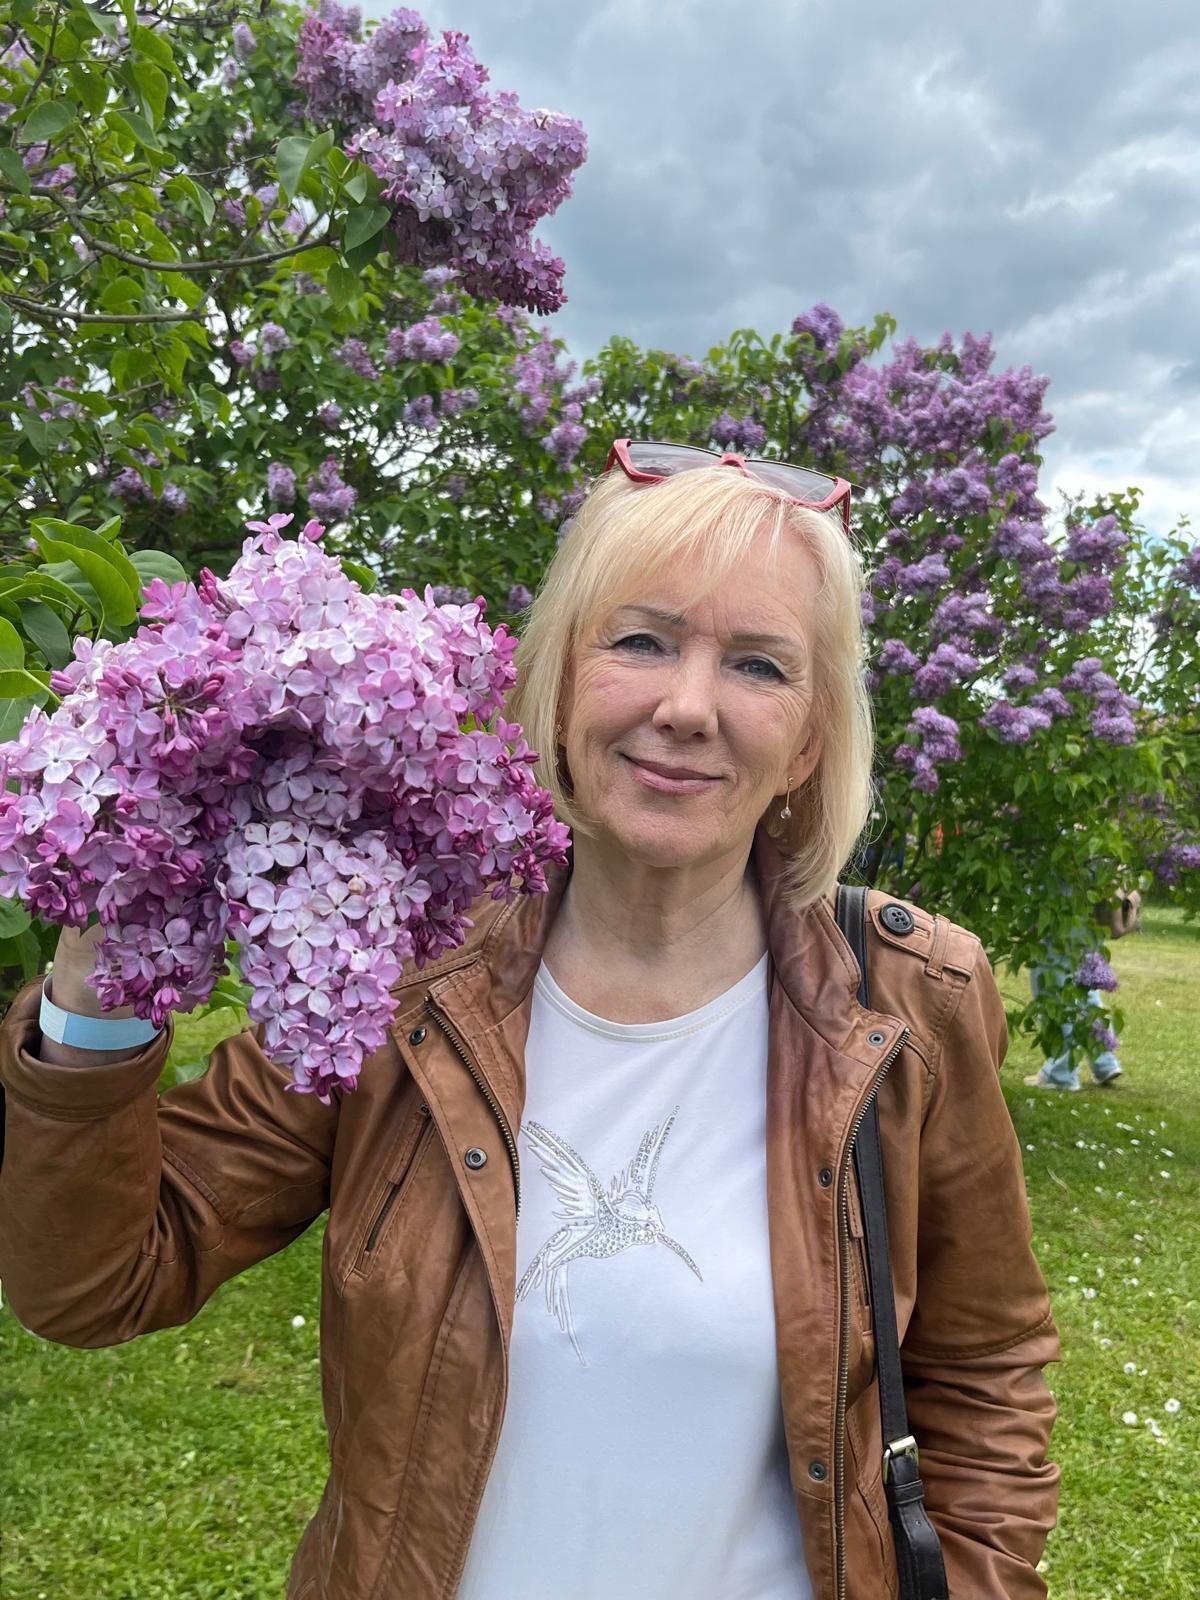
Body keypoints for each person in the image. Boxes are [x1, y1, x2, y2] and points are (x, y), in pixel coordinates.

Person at [0, 439, 1062, 1600]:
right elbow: (95, 1285)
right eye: (641, 640)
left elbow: (986, 1365)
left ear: (809, 739)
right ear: (555, 680)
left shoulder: (912, 998)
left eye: (758, 665)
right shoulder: (396, 974)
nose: (688, 706)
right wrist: (102, 956)